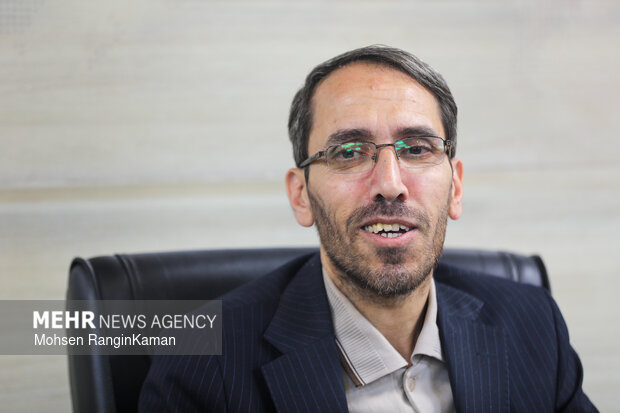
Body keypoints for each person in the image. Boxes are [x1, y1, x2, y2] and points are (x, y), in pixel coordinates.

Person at [139, 45, 597, 412]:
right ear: (301, 195)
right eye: (349, 152)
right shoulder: (200, 362)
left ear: (455, 187)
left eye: (417, 149)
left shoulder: (531, 323)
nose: (390, 184)